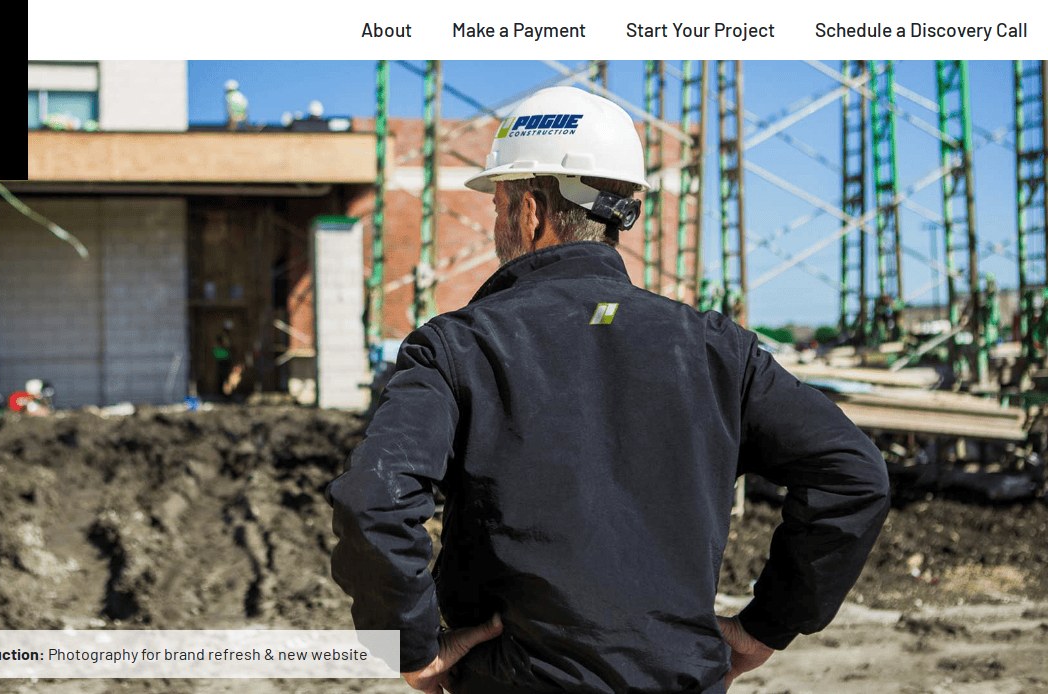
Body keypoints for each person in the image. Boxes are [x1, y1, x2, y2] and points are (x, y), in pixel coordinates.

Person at [326, 86, 890, 694]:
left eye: (498, 206)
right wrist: (766, 626)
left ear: (531, 211)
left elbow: (374, 500)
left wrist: (411, 647)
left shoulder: (457, 347)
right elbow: (853, 473)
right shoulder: (717, 349)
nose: (496, 225)